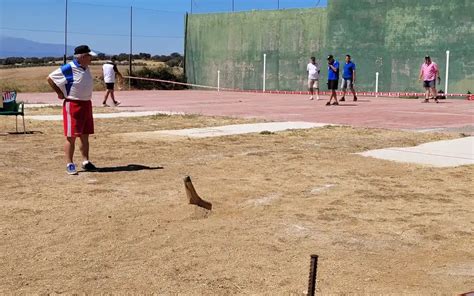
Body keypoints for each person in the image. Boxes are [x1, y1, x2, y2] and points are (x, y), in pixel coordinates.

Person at [47, 45, 98, 175]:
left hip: (86, 104)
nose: (91, 58)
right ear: (82, 57)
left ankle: (86, 161)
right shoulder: (69, 68)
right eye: (89, 56)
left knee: (85, 135)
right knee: (71, 136)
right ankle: (69, 163)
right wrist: (59, 93)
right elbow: (50, 78)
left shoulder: (86, 68)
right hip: (73, 104)